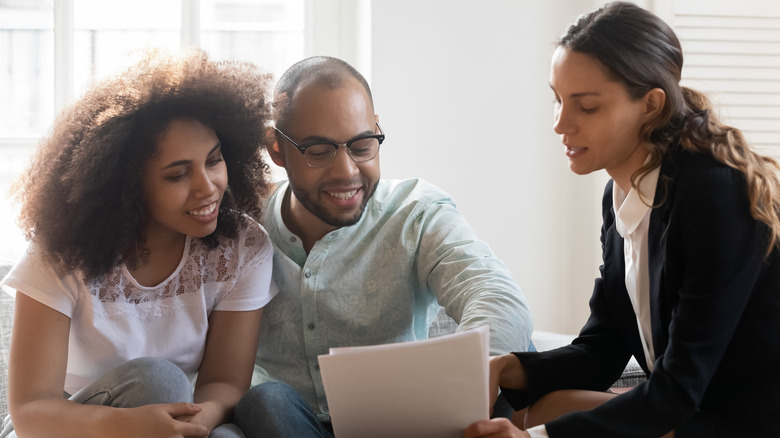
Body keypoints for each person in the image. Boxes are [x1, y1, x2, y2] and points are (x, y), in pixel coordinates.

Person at [465, 2, 780, 437]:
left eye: (587, 107)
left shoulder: (713, 193)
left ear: (650, 105)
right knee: (547, 405)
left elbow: (680, 388)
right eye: (557, 99)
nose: (561, 124)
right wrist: (507, 368)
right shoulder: (621, 193)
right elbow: (602, 349)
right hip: (685, 411)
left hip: (738, 422)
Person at [229, 56, 533, 436]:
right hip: (290, 423)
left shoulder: (415, 213)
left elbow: (496, 295)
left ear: (377, 130)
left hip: (402, 423)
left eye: (362, 145)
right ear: (277, 148)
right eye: (319, 151)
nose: (346, 171)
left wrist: (468, 377)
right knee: (266, 399)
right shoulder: (240, 229)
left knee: (522, 352)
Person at [0, 49, 278, 438]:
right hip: (65, 427)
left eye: (213, 160)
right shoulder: (63, 252)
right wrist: (128, 425)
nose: (207, 186)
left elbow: (225, 384)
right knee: (158, 381)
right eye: (178, 175)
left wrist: (202, 418)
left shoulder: (242, 248)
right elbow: (31, 412)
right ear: (127, 186)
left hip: (172, 419)